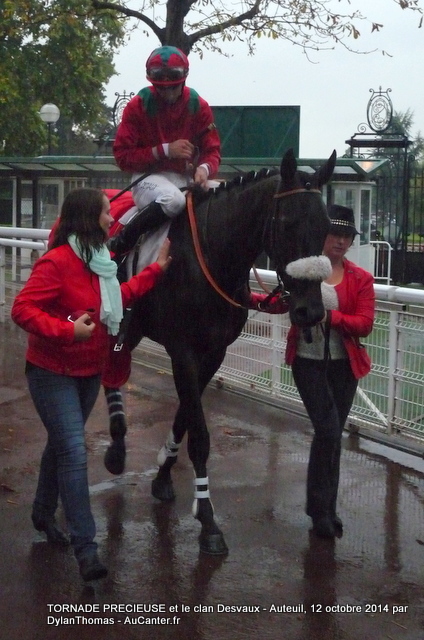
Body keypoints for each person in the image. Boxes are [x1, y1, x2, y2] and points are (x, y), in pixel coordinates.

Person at [11, 187, 171, 581]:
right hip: (51, 374)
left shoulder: (101, 262)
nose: (110, 219)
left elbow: (118, 297)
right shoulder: (57, 263)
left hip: (88, 373)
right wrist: (67, 329)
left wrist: (156, 270)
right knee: (73, 451)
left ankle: (42, 512)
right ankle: (86, 548)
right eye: (105, 213)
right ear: (87, 219)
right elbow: (22, 308)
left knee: (61, 445)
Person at [249, 205, 375, 539]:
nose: (341, 240)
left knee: (331, 437)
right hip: (308, 363)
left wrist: (330, 319)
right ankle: (320, 511)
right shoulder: (303, 272)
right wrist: (247, 300)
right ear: (322, 234)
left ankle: (326, 509)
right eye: (335, 233)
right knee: (329, 431)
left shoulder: (361, 279)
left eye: (347, 235)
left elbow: (365, 324)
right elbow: (281, 304)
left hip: (344, 366)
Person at [111, 44, 221, 258]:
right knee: (174, 200)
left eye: (173, 87)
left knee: (227, 194)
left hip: (185, 179)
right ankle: (124, 240)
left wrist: (205, 170)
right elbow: (122, 157)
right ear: (152, 83)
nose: (167, 93)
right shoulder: (137, 106)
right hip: (147, 179)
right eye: (161, 88)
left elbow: (212, 150)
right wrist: (164, 151)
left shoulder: (199, 106)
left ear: (184, 79)